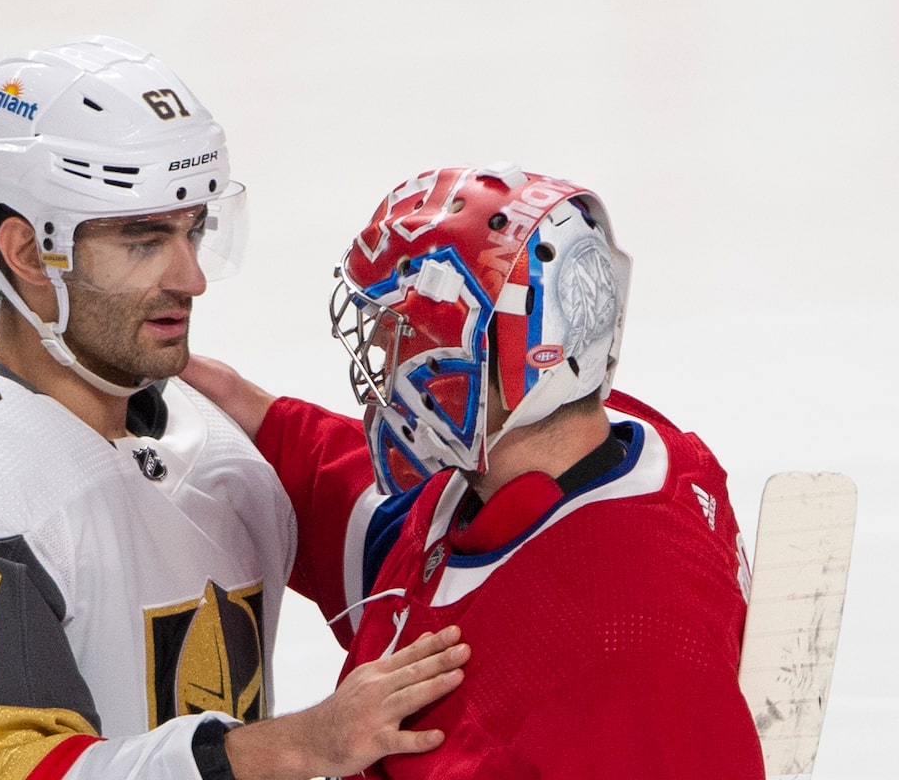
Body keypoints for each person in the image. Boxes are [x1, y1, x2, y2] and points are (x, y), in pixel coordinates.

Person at [0, 36, 470, 780]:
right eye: (142, 240)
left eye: (192, 230)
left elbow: (447, 559)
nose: (190, 277)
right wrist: (294, 746)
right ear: (29, 253)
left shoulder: (222, 440)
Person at [183, 162, 766, 777]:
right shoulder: (565, 458)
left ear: (508, 355)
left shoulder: (629, 649)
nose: (380, 358)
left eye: (404, 332)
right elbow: (413, 555)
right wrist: (248, 411)